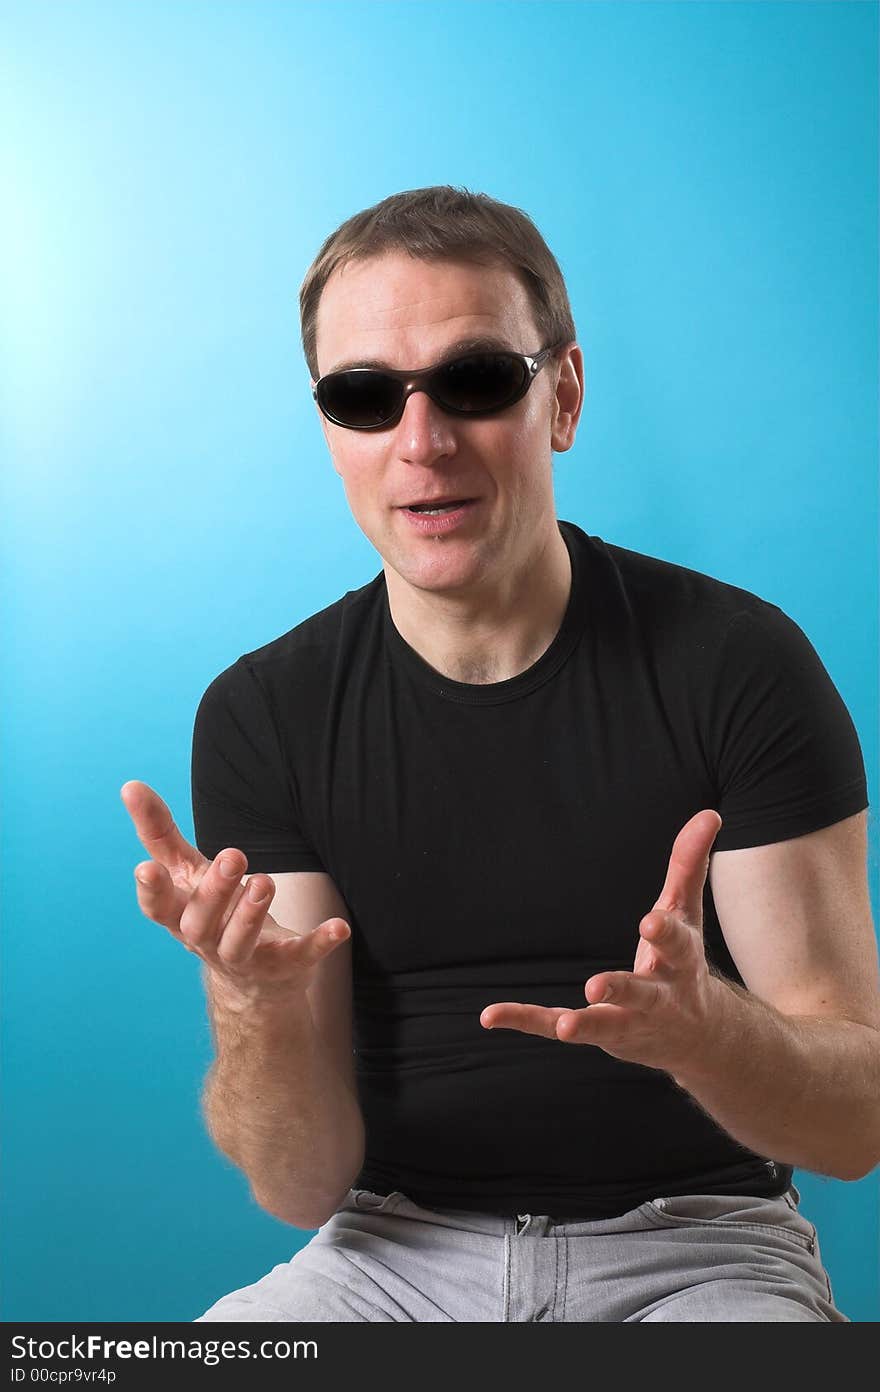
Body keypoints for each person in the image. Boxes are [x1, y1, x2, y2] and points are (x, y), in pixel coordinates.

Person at [121, 185, 879, 1322]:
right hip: (386, 1255)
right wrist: (254, 1006)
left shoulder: (737, 663)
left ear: (562, 395)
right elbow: (296, 1185)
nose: (421, 443)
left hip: (700, 1255)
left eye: (475, 382)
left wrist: (709, 1035)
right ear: (330, 429)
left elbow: (857, 1124)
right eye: (365, 397)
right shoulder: (263, 712)